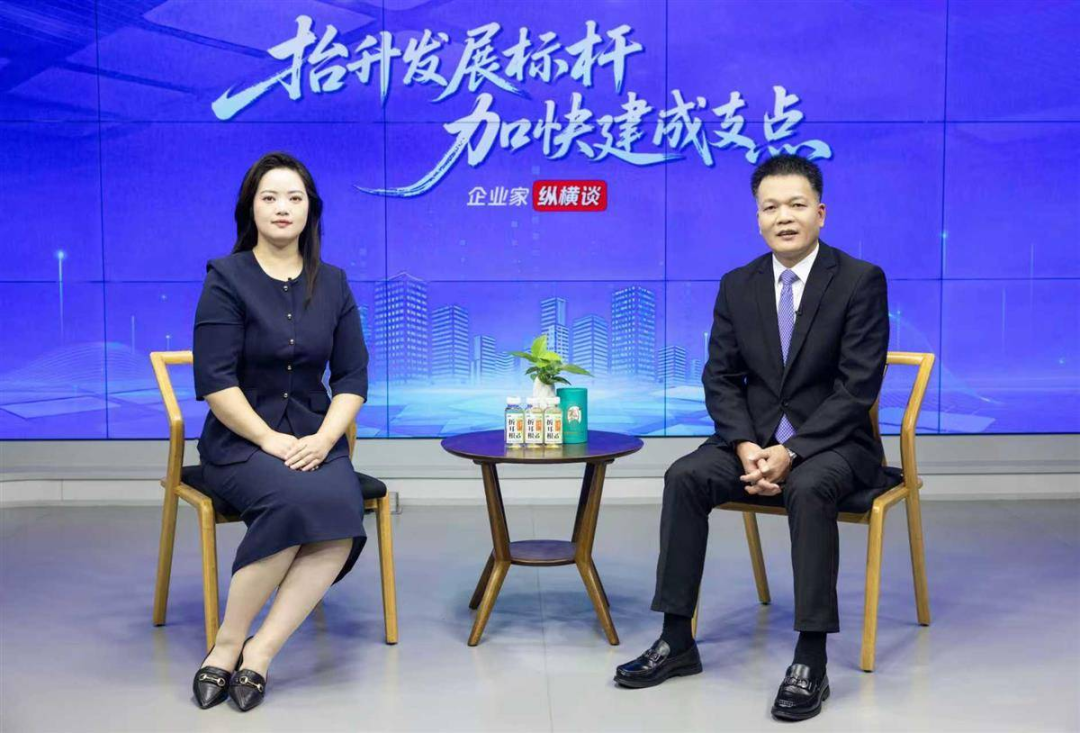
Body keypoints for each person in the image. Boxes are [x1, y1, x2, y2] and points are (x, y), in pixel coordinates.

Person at [614, 154, 890, 722]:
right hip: (754, 444)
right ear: (757, 217)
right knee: (685, 475)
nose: (783, 217)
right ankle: (676, 638)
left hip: (835, 445)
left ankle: (810, 658)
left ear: (820, 213)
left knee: (809, 486)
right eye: (770, 207)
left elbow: (857, 388)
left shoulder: (859, 280)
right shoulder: (738, 285)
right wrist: (745, 446)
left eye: (796, 205)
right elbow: (720, 377)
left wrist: (792, 450)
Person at [190, 152, 370, 712]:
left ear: (311, 209)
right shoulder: (226, 278)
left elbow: (352, 378)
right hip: (241, 441)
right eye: (269, 197)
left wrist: (325, 440)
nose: (282, 208)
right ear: (251, 208)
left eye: (294, 197)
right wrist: (269, 439)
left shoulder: (333, 283)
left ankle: (260, 652)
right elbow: (215, 381)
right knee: (292, 501)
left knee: (339, 510)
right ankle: (225, 645)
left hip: (315, 439)